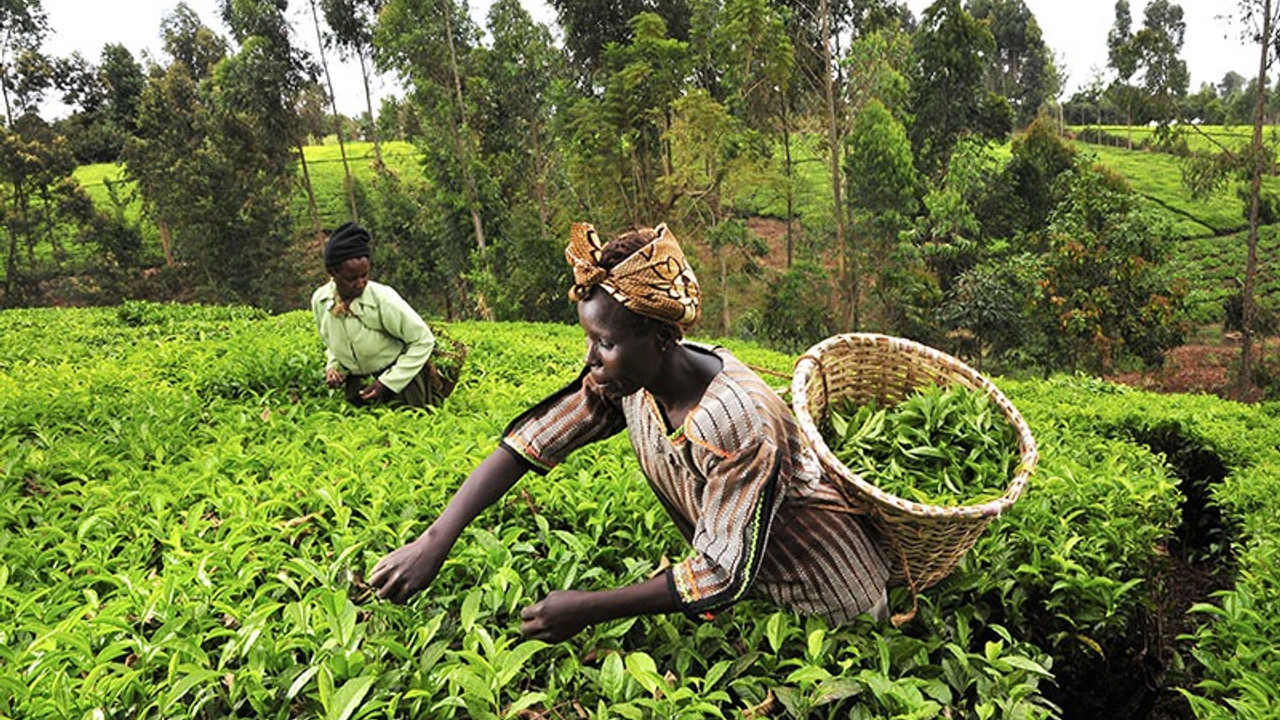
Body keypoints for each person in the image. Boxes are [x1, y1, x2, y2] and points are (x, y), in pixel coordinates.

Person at [368, 222, 890, 642]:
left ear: (661, 337)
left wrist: (587, 608)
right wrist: (435, 540)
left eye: (605, 343)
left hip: (832, 600)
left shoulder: (738, 421)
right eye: (589, 339)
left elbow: (719, 574)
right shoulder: (630, 383)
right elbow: (537, 439)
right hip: (759, 593)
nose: (591, 360)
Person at [311, 221, 444, 408]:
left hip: (401, 386)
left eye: (364, 275)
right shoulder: (321, 300)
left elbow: (423, 340)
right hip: (358, 387)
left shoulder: (383, 299)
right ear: (332, 272)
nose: (360, 283)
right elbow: (331, 343)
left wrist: (388, 382)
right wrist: (334, 367)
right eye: (351, 278)